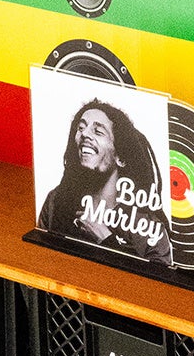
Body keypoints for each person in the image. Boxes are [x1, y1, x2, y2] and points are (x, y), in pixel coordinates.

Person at [37, 97, 173, 265]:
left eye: (98, 131)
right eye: (81, 128)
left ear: (120, 158)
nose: (84, 134)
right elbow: (41, 261)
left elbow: (156, 280)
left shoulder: (148, 227)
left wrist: (107, 239)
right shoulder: (56, 202)